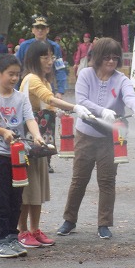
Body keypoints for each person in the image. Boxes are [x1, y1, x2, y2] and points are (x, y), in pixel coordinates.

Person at [57, 38, 135, 240]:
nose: (111, 61)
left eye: (115, 58)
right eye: (107, 57)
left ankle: (104, 223)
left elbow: (129, 95)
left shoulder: (121, 79)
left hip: (110, 138)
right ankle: (69, 220)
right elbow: (81, 100)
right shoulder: (85, 74)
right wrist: (102, 111)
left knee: (107, 181)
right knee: (79, 179)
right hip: (85, 134)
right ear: (97, 57)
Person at [17, 41, 90, 248]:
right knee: (27, 188)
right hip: (28, 143)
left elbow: (46, 104)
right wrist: (75, 107)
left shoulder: (43, 80)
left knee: (38, 187)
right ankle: (22, 231)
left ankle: (35, 229)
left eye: (51, 57)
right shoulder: (31, 79)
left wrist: (58, 111)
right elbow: (48, 98)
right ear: (34, 59)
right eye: (45, 57)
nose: (50, 61)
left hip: (40, 144)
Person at [0, 53, 46, 258]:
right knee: (1, 200)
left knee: (16, 200)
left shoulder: (21, 97)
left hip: (19, 155)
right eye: (11, 74)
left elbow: (30, 119)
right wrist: (2, 132)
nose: (15, 78)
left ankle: (11, 237)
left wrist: (37, 136)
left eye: (17, 74)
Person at [16, 17, 67, 98]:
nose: (40, 30)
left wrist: (60, 91)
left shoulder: (54, 47)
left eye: (43, 28)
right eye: (37, 28)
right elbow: (16, 67)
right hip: (28, 85)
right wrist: (15, 89)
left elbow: (60, 68)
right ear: (33, 30)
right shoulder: (24, 46)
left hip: (47, 84)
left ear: (47, 30)